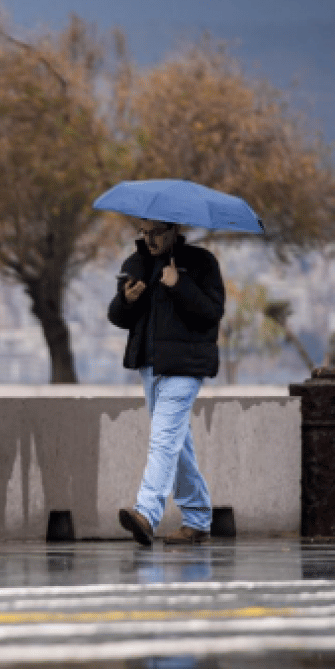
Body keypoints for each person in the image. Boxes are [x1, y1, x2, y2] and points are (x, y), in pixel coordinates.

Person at [107, 220, 225, 546]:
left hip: (185, 368)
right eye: (145, 232)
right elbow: (117, 316)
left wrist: (179, 284)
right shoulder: (137, 264)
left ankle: (146, 512)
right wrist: (127, 300)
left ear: (173, 229)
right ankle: (198, 517)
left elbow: (211, 312)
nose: (150, 239)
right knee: (177, 444)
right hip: (149, 366)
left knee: (162, 439)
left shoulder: (201, 263)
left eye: (157, 232)